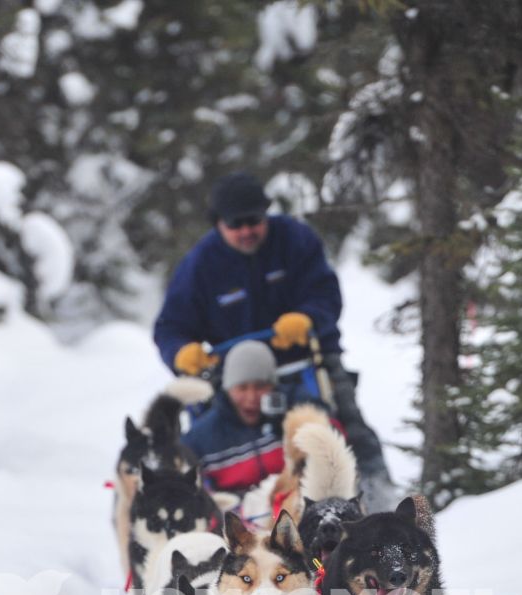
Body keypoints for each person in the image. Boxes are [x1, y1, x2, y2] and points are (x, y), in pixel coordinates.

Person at [154, 171, 396, 511]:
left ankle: (381, 503)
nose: (246, 231)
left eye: (254, 221)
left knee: (349, 427)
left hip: (305, 361)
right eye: (235, 224)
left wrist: (307, 317)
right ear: (217, 224)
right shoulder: (199, 265)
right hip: (234, 379)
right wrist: (181, 353)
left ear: (267, 214)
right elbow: (170, 327)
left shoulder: (295, 239)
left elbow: (325, 293)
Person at [181, 339, 298, 496]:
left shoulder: (295, 415)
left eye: (260, 386)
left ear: (273, 386)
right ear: (228, 389)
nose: (251, 397)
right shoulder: (200, 439)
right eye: (242, 388)